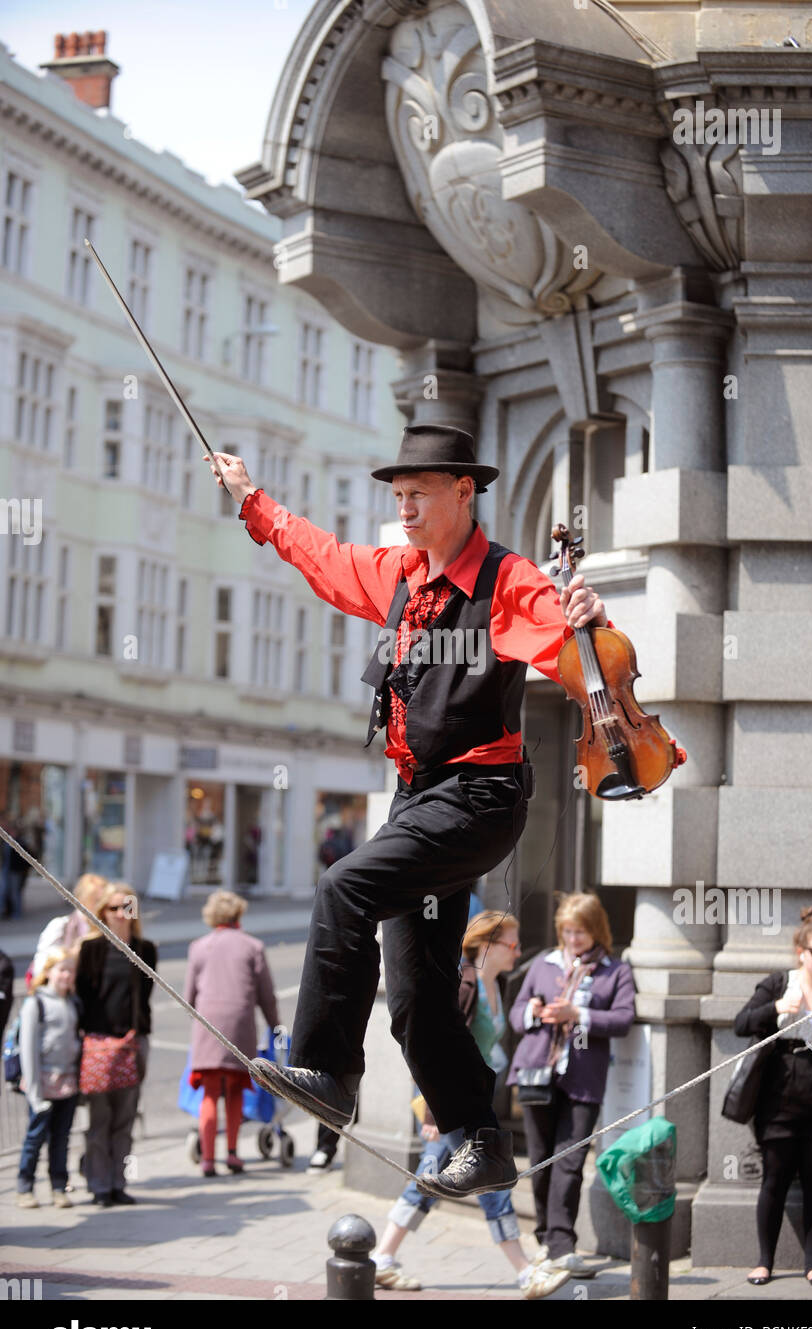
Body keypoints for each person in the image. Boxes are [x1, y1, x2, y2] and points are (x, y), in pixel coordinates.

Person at [210, 423, 609, 1198]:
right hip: (417, 797)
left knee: (343, 887)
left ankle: (328, 1070)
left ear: (463, 491)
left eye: (418, 494)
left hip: (480, 794)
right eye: (397, 496)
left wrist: (593, 621)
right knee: (417, 990)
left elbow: (584, 661)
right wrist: (250, 499)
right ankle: (480, 1139)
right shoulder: (397, 573)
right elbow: (320, 556)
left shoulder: (509, 582)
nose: (405, 510)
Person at [371, 910, 570, 1298]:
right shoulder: (464, 984)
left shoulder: (496, 984)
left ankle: (382, 1257)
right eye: (511, 944)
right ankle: (525, 1271)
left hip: (470, 1102)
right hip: (449, 1106)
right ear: (485, 945)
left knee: (431, 1179)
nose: (517, 952)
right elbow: (434, 1051)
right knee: (491, 1181)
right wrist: (432, 1112)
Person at [734, 906, 812, 1288]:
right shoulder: (777, 984)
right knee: (773, 1179)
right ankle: (764, 1261)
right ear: (801, 951)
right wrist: (775, 1008)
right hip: (777, 1096)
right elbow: (741, 1024)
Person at [508, 892, 635, 1271]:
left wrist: (577, 1013)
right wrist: (532, 1011)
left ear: (597, 931)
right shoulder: (543, 965)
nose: (573, 939)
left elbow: (623, 1019)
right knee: (541, 1160)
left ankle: (562, 1244)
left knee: (570, 1160)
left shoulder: (616, 971)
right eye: (567, 931)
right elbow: (515, 1015)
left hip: (583, 1079)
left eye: (580, 931)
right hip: (536, 1074)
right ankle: (546, 1237)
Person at [184, 890, 280, 1176]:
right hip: (239, 1023)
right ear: (239, 913)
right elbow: (267, 995)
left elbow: (189, 995)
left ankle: (208, 1160)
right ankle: (234, 1154)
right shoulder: (253, 946)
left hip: (208, 1024)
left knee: (211, 1094)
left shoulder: (198, 947)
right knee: (236, 1090)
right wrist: (275, 1025)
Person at [76, 882, 156, 1207]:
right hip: (98, 1045)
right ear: (102, 913)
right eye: (113, 908)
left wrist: (132, 1034)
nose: (121, 914)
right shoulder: (90, 949)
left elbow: (145, 996)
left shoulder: (145, 949)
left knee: (125, 1119)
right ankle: (98, 1185)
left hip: (133, 1044)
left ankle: (118, 1182)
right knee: (98, 1121)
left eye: (127, 907)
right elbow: (83, 997)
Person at [16, 948, 81, 1209]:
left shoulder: (73, 1003)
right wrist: (34, 1093)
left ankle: (58, 1186)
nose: (66, 975)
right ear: (48, 972)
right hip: (41, 1084)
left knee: (61, 1139)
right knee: (35, 1137)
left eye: (70, 970)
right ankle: (25, 1187)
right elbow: (29, 1050)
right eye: (61, 969)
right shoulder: (36, 1003)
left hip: (67, 1083)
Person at [30, 874, 108, 981]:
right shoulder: (60, 925)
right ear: (82, 899)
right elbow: (41, 966)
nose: (102, 905)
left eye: (105, 901)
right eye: (96, 900)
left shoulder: (109, 929)